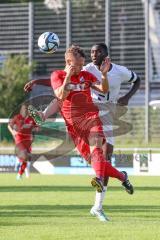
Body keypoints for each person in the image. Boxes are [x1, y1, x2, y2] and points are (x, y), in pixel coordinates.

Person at [24, 43, 139, 222]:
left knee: (98, 152)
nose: (81, 68)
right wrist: (68, 76)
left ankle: (99, 182)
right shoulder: (58, 75)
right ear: (68, 63)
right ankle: (122, 176)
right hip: (75, 128)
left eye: (81, 64)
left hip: (92, 119)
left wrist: (103, 75)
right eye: (77, 65)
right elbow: (60, 96)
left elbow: (104, 89)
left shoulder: (86, 75)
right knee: (96, 162)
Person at [8, 104, 39, 180]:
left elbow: (37, 128)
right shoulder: (17, 117)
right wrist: (13, 132)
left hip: (28, 140)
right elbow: (9, 126)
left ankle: (19, 173)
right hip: (19, 139)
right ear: (21, 110)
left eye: (26, 109)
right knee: (24, 155)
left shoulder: (31, 119)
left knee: (27, 158)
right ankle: (19, 163)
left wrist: (35, 128)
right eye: (23, 109)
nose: (24, 110)